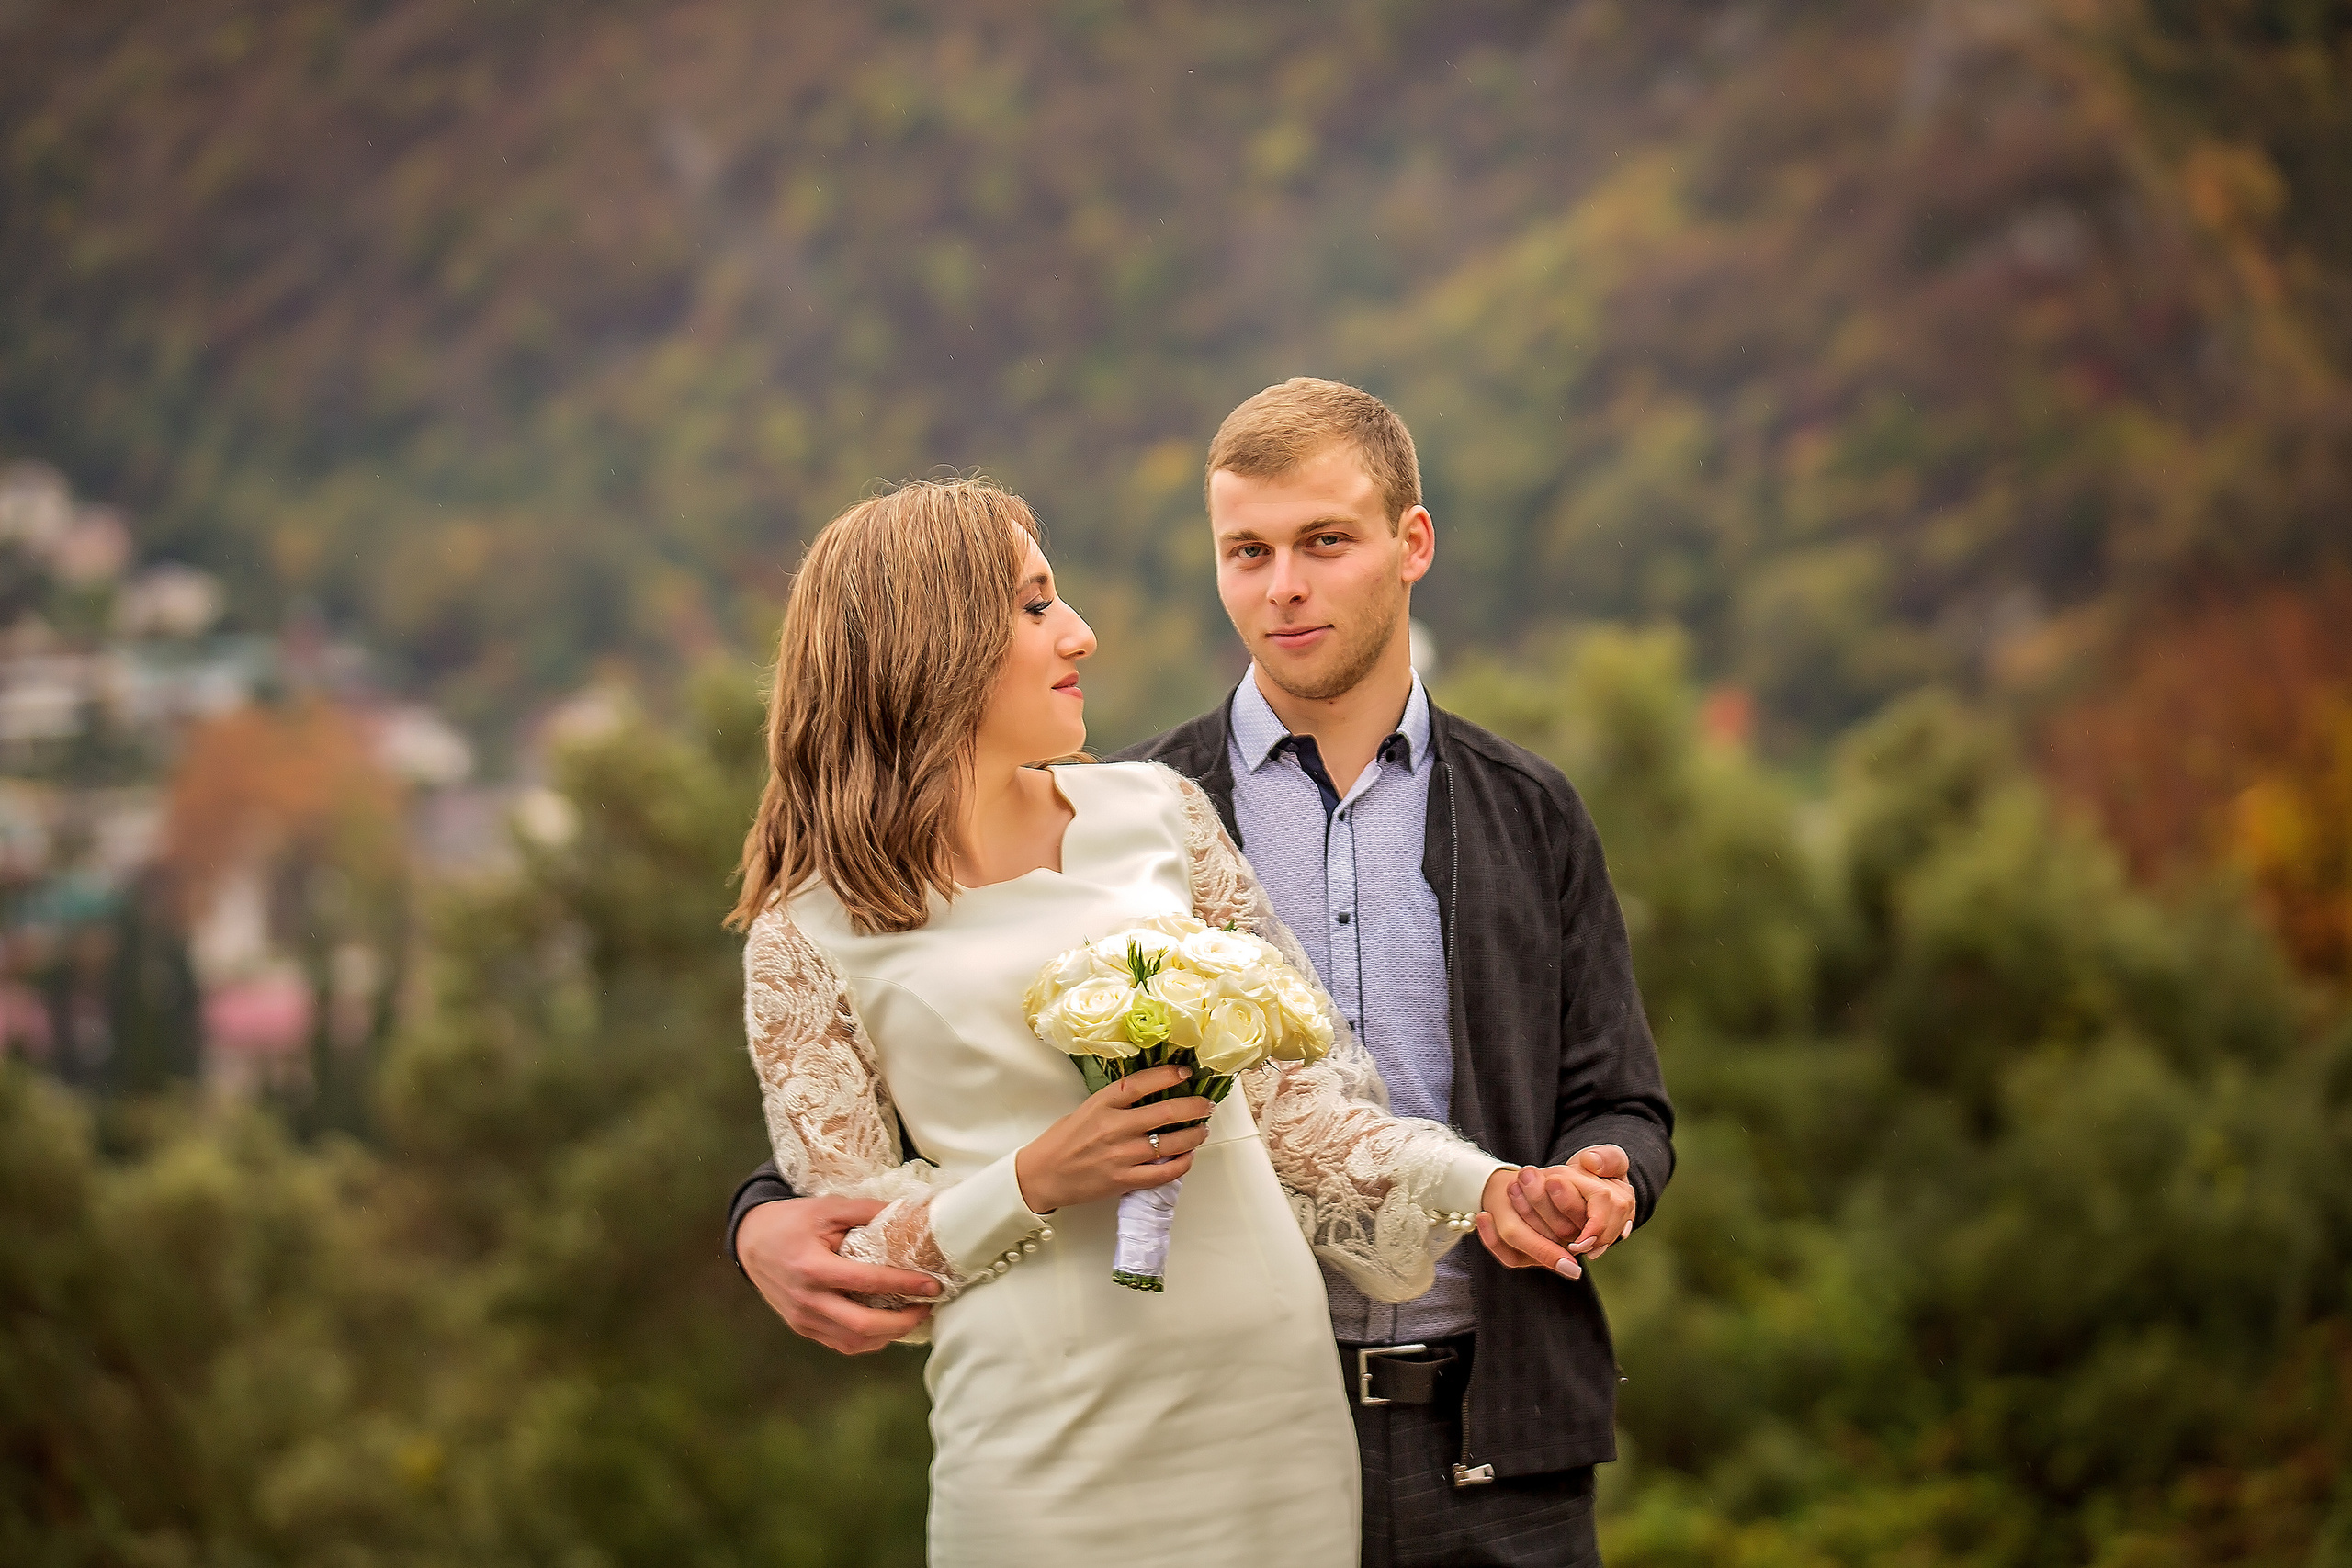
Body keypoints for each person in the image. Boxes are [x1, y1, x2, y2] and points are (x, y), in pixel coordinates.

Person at [728, 474, 1610, 1567]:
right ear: (932, 643)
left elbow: (1304, 1117)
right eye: (1036, 604)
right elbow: (853, 1255)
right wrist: (1037, 1175)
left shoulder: (1158, 811)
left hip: (1271, 1419)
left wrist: (1490, 1187)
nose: (1080, 633)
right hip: (1041, 1443)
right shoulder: (804, 932)